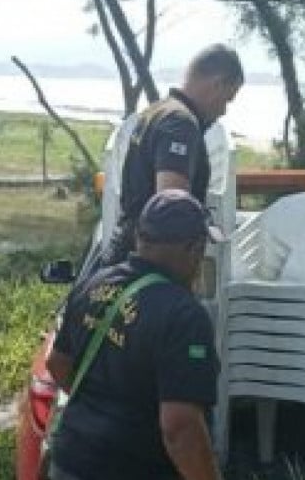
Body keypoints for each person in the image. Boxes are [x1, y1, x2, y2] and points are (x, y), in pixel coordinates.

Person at [47, 189, 226, 480]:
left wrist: (101, 412)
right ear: (193, 248)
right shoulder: (184, 315)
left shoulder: (95, 283)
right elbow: (180, 427)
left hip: (72, 459)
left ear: (139, 238)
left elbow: (57, 363)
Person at [98, 44, 243, 268]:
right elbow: (171, 207)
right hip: (151, 263)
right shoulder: (181, 124)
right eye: (227, 100)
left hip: (128, 252)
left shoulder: (156, 112)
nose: (223, 111)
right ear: (217, 85)